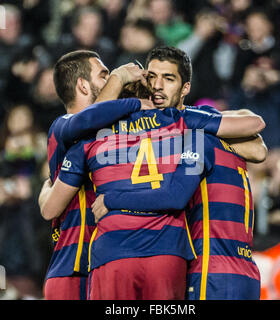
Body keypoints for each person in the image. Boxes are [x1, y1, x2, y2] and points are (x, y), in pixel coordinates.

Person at [39, 46, 266, 300]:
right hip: (154, 256)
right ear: (82, 86)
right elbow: (257, 144)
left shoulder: (93, 139)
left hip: (107, 255)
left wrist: (50, 189)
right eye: (106, 76)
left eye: (168, 78)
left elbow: (257, 146)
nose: (158, 86)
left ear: (185, 87)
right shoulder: (180, 126)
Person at [39, 49, 152, 300]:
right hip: (73, 270)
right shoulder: (63, 125)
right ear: (82, 85)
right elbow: (87, 120)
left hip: (108, 265)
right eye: (104, 76)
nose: (111, 79)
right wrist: (122, 80)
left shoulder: (112, 134)